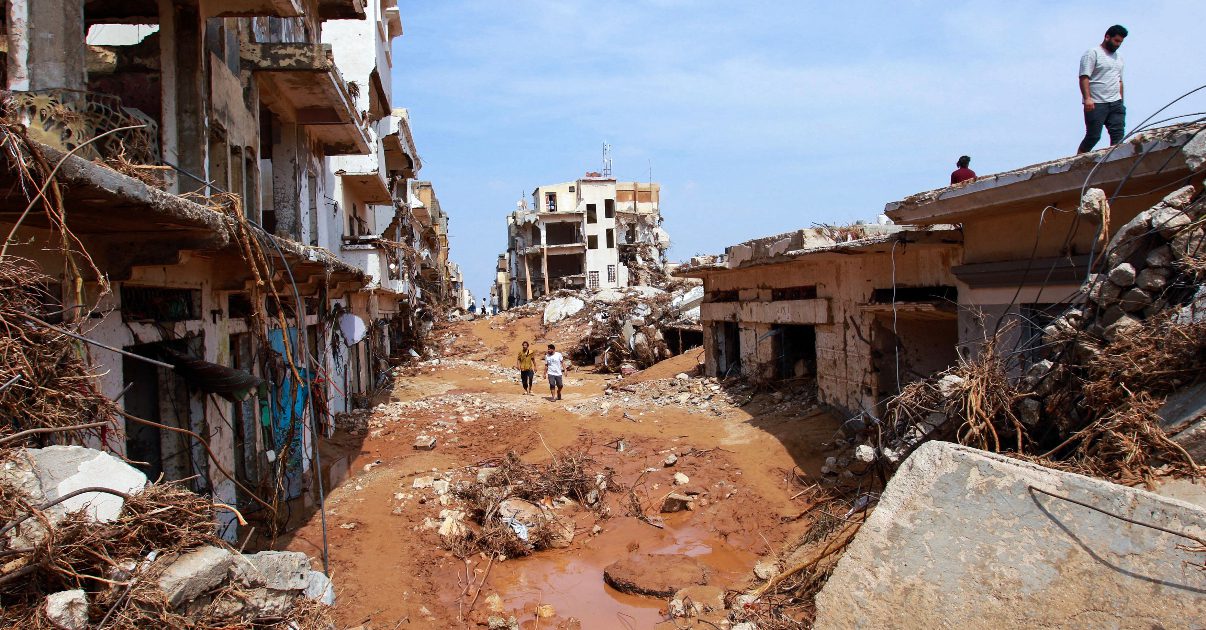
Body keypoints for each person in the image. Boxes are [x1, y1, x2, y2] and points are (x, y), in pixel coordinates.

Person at [1078, 25, 1127, 154]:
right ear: (1107, 37)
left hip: (1115, 102)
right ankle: (1077, 162)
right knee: (1093, 137)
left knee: (1118, 136)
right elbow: (1084, 77)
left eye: (1121, 42)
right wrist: (1087, 98)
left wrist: (1121, 101)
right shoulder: (1092, 53)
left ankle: (1115, 162)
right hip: (1096, 103)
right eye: (1116, 41)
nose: (1118, 44)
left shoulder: (1119, 57)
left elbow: (1119, 80)